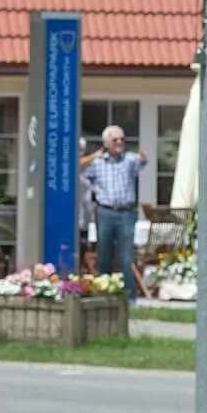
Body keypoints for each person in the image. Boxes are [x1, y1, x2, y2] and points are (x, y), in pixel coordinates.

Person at [80, 126, 146, 301]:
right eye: (115, 140)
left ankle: (129, 297)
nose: (119, 143)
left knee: (125, 256)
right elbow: (77, 168)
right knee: (104, 255)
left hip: (126, 213)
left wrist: (143, 158)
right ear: (106, 143)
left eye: (122, 140)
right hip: (105, 212)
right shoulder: (97, 163)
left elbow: (142, 163)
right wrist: (95, 155)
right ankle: (105, 293)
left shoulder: (129, 160)